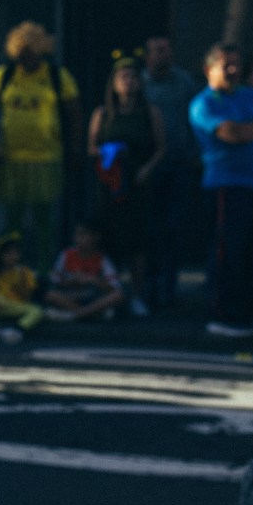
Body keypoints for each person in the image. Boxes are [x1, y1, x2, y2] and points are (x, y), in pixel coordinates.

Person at [0, 21, 83, 272]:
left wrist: (74, 148)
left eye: (31, 54)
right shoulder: (5, 75)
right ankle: (10, 270)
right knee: (13, 219)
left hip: (46, 157)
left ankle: (45, 270)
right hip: (11, 157)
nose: (26, 60)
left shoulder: (56, 76)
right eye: (22, 55)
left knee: (44, 219)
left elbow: (74, 114)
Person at [189, 42, 253, 338]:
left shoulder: (250, 97)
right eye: (227, 66)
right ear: (210, 69)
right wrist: (251, 130)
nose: (234, 71)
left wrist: (248, 129)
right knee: (228, 251)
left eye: (237, 65)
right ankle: (225, 314)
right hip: (226, 185)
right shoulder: (204, 103)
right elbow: (230, 134)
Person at [87, 54, 165, 317]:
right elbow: (92, 146)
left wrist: (146, 168)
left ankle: (137, 294)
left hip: (136, 183)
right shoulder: (103, 113)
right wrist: (104, 155)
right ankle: (111, 295)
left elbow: (160, 147)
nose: (129, 82)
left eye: (133, 77)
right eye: (123, 78)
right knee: (110, 237)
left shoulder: (150, 113)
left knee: (137, 241)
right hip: (110, 183)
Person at [142, 35, 202, 309]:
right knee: (150, 227)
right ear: (147, 55)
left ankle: (170, 285)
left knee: (175, 226)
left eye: (166, 50)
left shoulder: (185, 83)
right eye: (157, 50)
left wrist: (195, 155)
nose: (162, 55)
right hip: (150, 165)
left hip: (180, 163)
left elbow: (195, 121)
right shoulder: (141, 84)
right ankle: (149, 284)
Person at [44, 220, 125, 321]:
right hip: (71, 296)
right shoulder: (66, 254)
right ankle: (92, 314)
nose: (78, 239)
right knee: (50, 295)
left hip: (93, 298)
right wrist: (72, 281)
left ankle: (73, 315)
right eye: (76, 235)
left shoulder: (102, 259)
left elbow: (114, 287)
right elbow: (54, 280)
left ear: (95, 237)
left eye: (83, 235)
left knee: (119, 295)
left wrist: (93, 280)